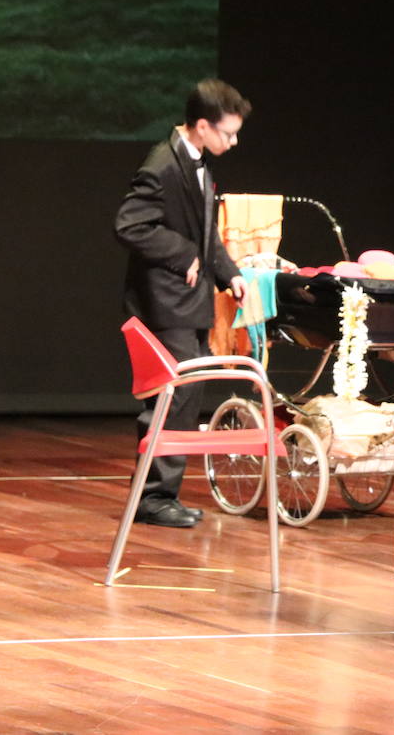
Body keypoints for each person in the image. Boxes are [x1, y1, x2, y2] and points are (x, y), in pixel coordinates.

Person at [114, 79, 251, 528]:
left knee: (187, 395)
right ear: (200, 126)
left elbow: (206, 235)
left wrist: (231, 276)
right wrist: (182, 253)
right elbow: (130, 225)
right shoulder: (163, 164)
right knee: (171, 396)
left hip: (189, 302)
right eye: (227, 133)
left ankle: (161, 494)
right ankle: (152, 497)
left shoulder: (198, 165)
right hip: (164, 303)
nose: (232, 141)